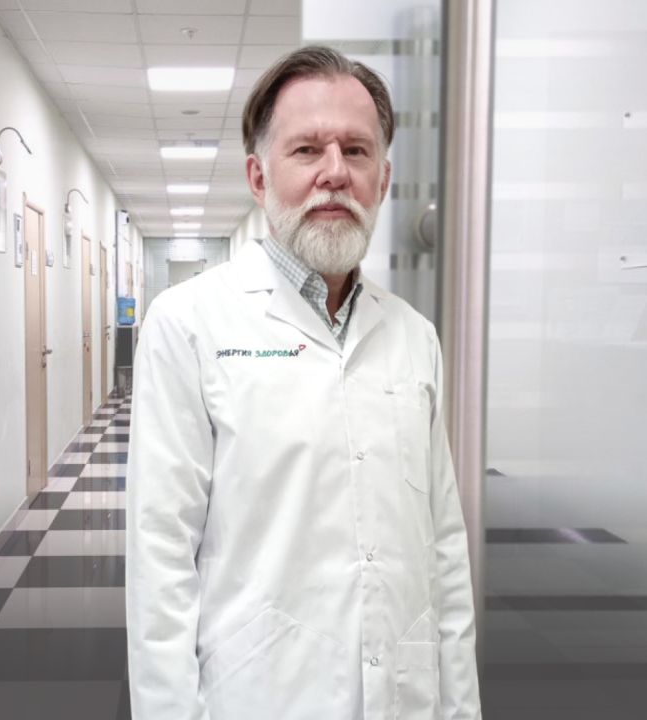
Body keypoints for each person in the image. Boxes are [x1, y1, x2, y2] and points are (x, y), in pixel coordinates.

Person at [126, 45, 481, 720]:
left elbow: (444, 550)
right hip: (258, 696)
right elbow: (160, 562)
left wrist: (461, 707)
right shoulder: (188, 324)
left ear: (383, 180)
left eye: (357, 150)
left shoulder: (415, 337)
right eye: (307, 150)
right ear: (259, 177)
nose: (335, 172)